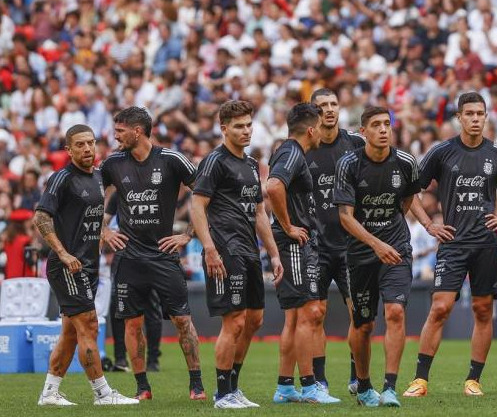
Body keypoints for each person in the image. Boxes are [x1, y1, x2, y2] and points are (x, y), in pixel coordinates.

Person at [403, 92, 497, 398]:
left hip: (486, 244)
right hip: (452, 242)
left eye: (480, 114)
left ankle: (473, 379)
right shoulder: (442, 152)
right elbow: (410, 192)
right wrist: (428, 224)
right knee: (440, 307)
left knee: (483, 309)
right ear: (459, 118)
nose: (476, 119)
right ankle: (420, 380)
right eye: (470, 114)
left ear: (486, 117)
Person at [336, 106, 444, 407]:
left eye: (387, 124)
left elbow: (408, 199)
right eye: (376, 125)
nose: (383, 129)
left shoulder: (406, 162)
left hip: (397, 248)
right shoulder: (349, 165)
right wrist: (374, 244)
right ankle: (364, 385)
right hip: (360, 254)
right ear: (363, 132)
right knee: (363, 325)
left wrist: (399, 236)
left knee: (395, 312)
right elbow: (345, 216)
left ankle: (390, 387)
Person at [99, 106, 205, 400]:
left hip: (163, 256)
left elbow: (204, 194)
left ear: (137, 131)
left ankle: (196, 384)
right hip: (128, 259)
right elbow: (92, 196)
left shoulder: (171, 160)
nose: (114, 136)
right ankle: (142, 386)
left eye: (120, 131)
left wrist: (187, 236)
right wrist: (105, 231)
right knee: (132, 324)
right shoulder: (112, 164)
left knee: (183, 321)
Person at [34, 124, 138, 406]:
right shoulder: (61, 178)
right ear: (68, 150)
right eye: (80, 144)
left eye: (90, 143)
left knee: (70, 332)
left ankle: (50, 393)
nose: (87, 149)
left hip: (88, 265)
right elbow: (41, 218)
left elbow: (92, 216)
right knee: (89, 325)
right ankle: (102, 394)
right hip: (67, 265)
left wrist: (103, 232)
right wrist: (63, 253)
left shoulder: (97, 177)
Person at [190, 100, 283, 409]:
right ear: (224, 128)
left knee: (254, 320)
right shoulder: (214, 162)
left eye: (248, 125)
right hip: (224, 249)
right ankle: (222, 393)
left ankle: (233, 387)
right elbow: (197, 207)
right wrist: (209, 248)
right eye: (239, 126)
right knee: (234, 322)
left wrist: (274, 254)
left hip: (248, 250)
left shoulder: (249, 164)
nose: (246, 131)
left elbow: (259, 213)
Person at [267, 102, 341, 405]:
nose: (323, 132)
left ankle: (285, 386)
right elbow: (273, 187)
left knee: (297, 317)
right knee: (310, 314)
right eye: (321, 126)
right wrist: (288, 227)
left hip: (296, 244)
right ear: (311, 130)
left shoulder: (289, 152)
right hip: (294, 244)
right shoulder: (292, 153)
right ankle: (310, 386)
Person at [303, 88, 366, 394]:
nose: (329, 110)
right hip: (315, 244)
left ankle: (357, 378)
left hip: (351, 245)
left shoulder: (355, 143)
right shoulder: (304, 147)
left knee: (359, 313)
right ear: (313, 113)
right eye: (322, 106)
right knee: (315, 314)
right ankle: (319, 381)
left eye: (333, 104)